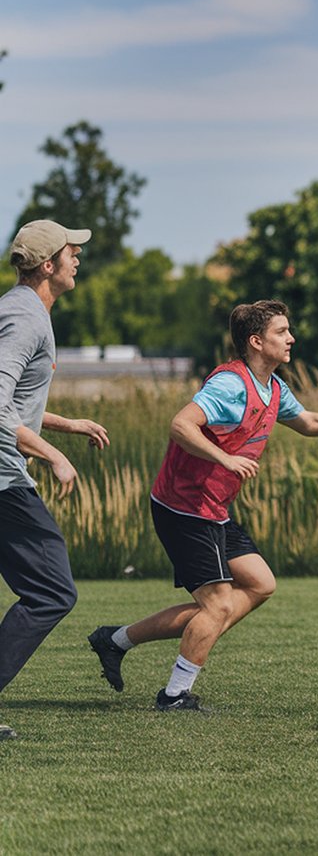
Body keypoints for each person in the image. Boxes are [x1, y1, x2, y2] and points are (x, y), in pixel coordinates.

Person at [87, 300, 318, 711]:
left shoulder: (273, 387)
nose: (291, 338)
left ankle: (115, 640)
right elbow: (181, 424)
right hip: (184, 508)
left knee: (260, 584)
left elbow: (309, 423)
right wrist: (225, 458)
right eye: (282, 332)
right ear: (256, 342)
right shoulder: (230, 385)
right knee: (218, 605)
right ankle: (174, 695)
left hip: (214, 508)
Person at [1, 221, 109, 741]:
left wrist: (67, 424)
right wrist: (53, 457)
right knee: (51, 591)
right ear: (49, 265)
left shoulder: (23, 311)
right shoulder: (25, 319)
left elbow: (17, 404)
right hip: (3, 480)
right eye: (73, 251)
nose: (78, 259)